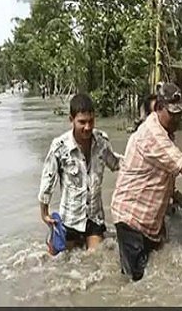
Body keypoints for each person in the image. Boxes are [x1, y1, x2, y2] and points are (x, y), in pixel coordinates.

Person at [111, 82, 182, 281]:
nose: (176, 119)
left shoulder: (167, 133)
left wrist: (176, 196)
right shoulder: (152, 134)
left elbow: (163, 173)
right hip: (132, 217)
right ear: (158, 108)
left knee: (155, 272)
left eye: (180, 114)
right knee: (135, 282)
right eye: (172, 113)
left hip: (150, 219)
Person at [38, 93, 122, 252]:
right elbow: (48, 179)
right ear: (71, 119)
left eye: (91, 121)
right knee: (59, 262)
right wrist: (44, 213)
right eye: (82, 122)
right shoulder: (60, 146)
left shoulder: (102, 141)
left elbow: (116, 164)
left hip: (94, 218)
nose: (88, 127)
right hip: (70, 219)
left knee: (96, 258)